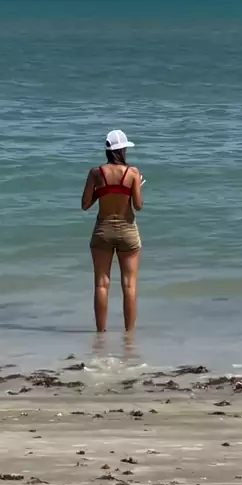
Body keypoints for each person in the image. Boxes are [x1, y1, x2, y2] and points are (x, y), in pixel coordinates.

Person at [81, 130, 143, 333]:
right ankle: (129, 335)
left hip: (103, 230)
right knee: (129, 285)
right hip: (127, 230)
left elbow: (85, 205)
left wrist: (103, 191)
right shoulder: (132, 173)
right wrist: (136, 188)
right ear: (122, 150)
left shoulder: (95, 173)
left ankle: (101, 333)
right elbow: (138, 205)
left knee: (101, 284)